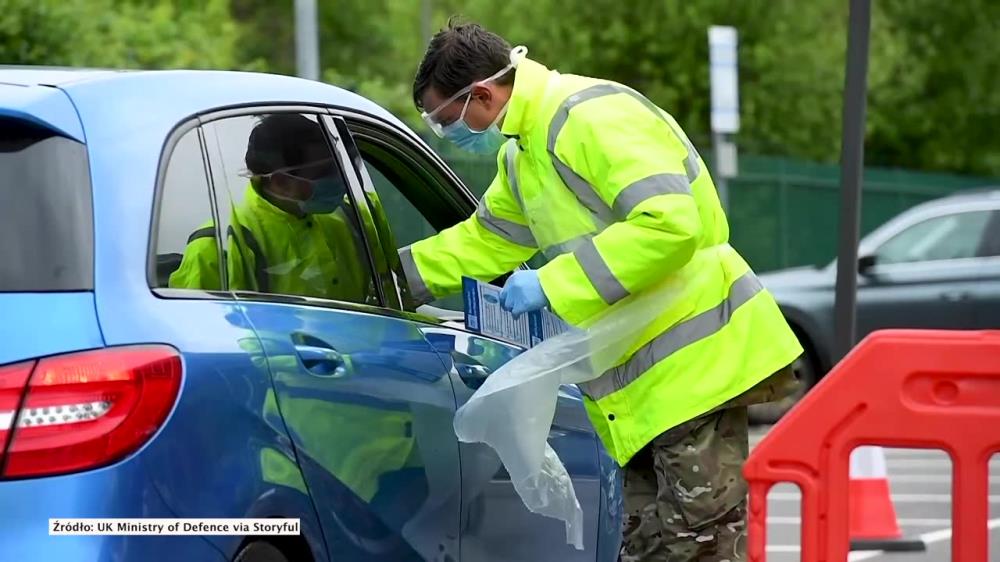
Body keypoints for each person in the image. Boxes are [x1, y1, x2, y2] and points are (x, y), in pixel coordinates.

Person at [401, 20, 804, 561]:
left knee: (700, 543)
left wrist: (551, 282)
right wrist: (395, 275)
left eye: (448, 121)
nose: (450, 134)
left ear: (482, 94)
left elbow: (670, 223)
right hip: (639, 383)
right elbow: (489, 239)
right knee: (644, 544)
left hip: (694, 366)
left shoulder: (588, 117)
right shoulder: (525, 153)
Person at [169, 113, 372, 304]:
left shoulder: (354, 216)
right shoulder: (215, 248)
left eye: (339, 166)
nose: (340, 179)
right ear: (282, 182)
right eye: (325, 171)